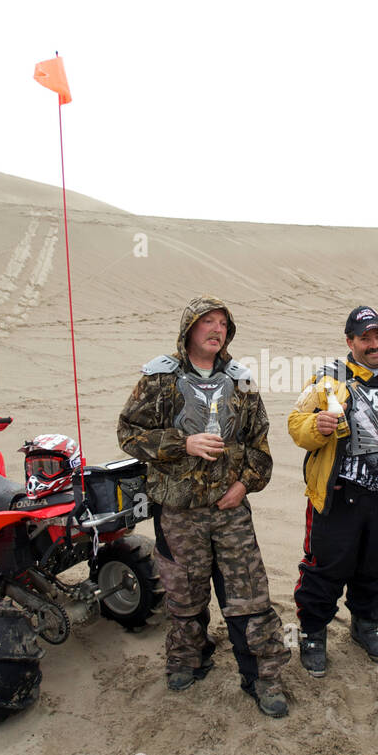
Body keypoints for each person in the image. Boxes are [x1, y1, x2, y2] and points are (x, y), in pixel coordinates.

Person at [117, 297, 290, 718]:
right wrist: (183, 443)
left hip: (229, 510)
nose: (217, 330)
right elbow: (129, 435)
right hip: (178, 511)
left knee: (248, 595)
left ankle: (262, 677)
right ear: (189, 329)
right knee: (183, 593)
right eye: (207, 323)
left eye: (223, 324)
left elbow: (259, 447)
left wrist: (244, 485)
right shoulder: (159, 380)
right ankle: (188, 659)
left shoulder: (242, 383)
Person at [287, 305, 378, 677]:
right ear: (350, 341)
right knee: (325, 567)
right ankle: (312, 634)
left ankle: (366, 626)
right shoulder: (327, 381)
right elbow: (295, 424)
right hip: (337, 497)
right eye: (365, 338)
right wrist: (317, 425)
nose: (374, 344)